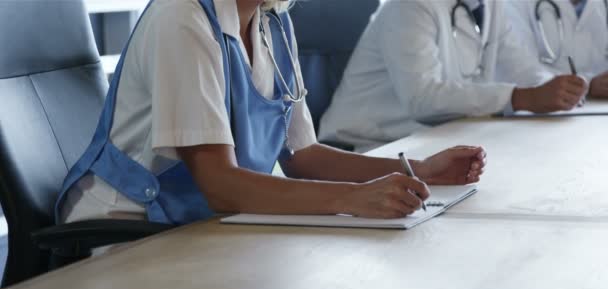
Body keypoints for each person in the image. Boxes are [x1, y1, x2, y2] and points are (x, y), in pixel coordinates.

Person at [56, 0, 486, 225]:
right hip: (125, 227)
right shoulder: (182, 19)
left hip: (195, 223)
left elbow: (304, 157)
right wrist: (352, 200)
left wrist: (419, 170)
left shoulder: (272, 22)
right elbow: (220, 185)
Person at [318, 0, 588, 152]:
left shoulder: (490, 6)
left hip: (429, 142)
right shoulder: (409, 6)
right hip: (365, 150)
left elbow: (524, 69)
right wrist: (520, 98)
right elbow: (423, 99)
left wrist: (560, 88)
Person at [505, 0, 608, 99]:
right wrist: (586, 84)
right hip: (538, 112)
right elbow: (519, 67)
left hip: (598, 108)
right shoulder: (515, 3)